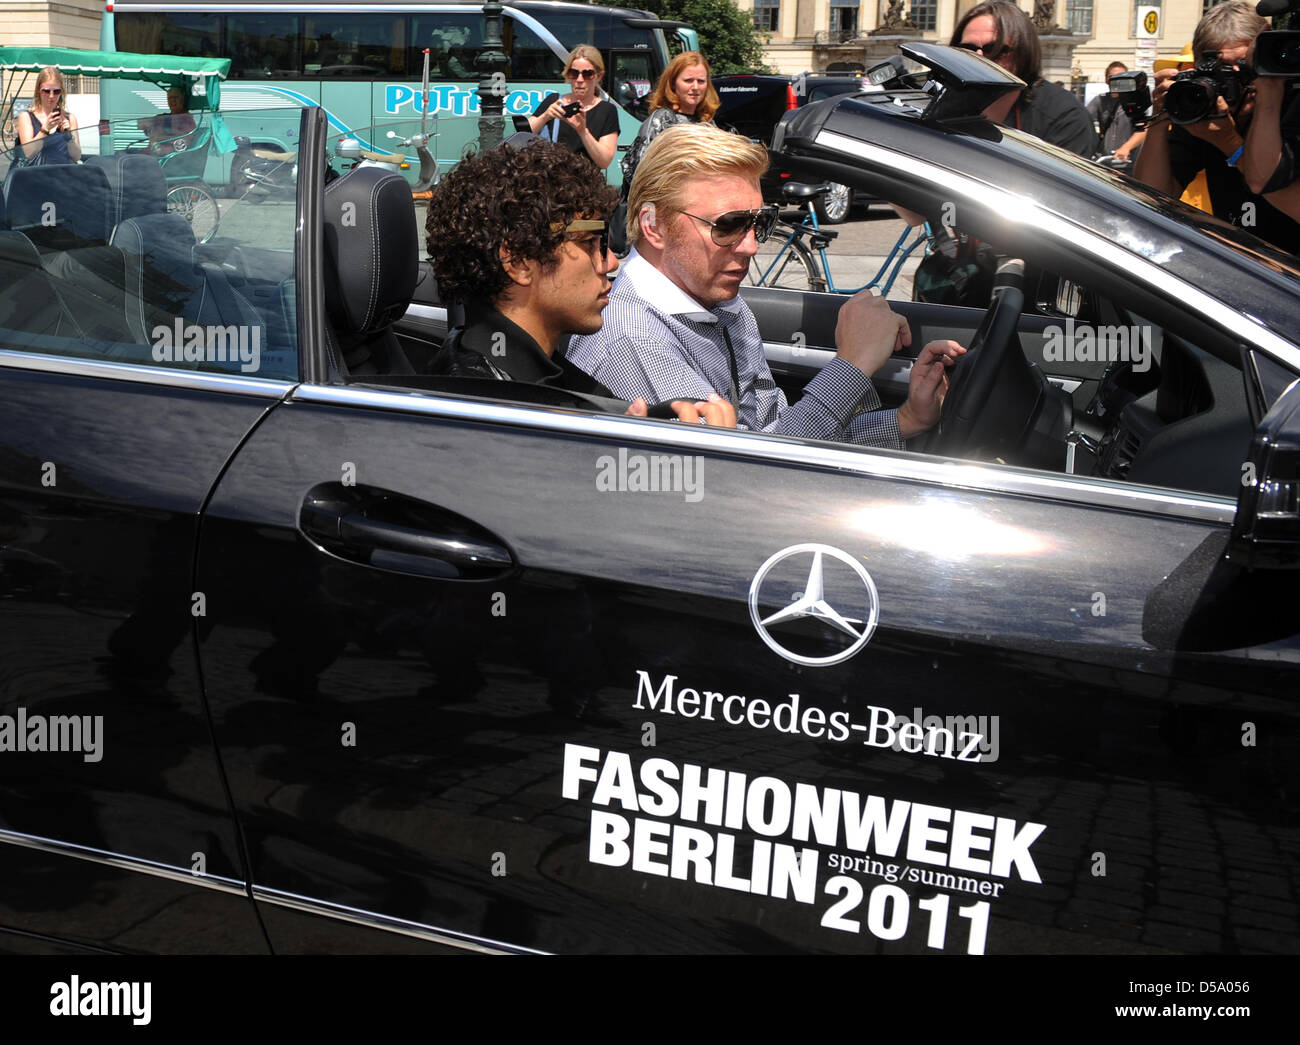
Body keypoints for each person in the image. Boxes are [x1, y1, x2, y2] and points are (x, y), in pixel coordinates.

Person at [567, 123, 966, 448]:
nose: (751, 246)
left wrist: (906, 420)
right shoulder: (634, 339)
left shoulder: (720, 301)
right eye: (727, 226)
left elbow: (774, 433)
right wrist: (853, 365)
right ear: (653, 225)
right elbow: (756, 471)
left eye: (758, 223)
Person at [424, 139, 735, 427]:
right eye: (591, 243)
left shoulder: (511, 375)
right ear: (518, 261)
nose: (611, 262)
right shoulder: (489, 422)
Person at [1133, 0, 1300, 254]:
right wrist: (1161, 116)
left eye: (1244, 68)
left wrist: (1230, 143)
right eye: (1220, 71)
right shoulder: (1203, 111)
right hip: (1238, 270)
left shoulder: (1289, 107)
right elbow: (1152, 197)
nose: (1234, 82)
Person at [951, 1, 1096, 157]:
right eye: (967, 49)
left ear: (1022, 52)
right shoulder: (943, 106)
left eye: (994, 49)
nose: (978, 57)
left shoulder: (1064, 116)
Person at [527, 44, 619, 170]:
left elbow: (604, 161)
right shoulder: (554, 101)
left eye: (587, 74)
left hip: (586, 185)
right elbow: (523, 134)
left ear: (599, 76)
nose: (580, 79)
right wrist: (545, 116)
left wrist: (583, 131)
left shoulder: (607, 110)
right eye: (574, 73)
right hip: (551, 183)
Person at [16, 66, 81, 165]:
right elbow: (28, 153)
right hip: (36, 176)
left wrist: (68, 136)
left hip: (62, 175)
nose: (51, 96)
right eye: (46, 91)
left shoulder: (70, 118)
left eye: (56, 91)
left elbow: (76, 156)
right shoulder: (26, 117)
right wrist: (45, 129)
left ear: (61, 92)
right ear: (38, 90)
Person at [1088, 61, 1146, 163]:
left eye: (1121, 77)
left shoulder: (1136, 101)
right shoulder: (1100, 100)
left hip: (1129, 161)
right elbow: (1084, 119)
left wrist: (1126, 148)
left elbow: (1143, 130)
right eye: (1112, 77)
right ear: (1106, 80)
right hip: (1104, 160)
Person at [137, 86, 196, 154]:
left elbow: (182, 142)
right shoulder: (162, 118)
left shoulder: (187, 121)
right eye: (170, 98)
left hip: (167, 157)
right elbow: (142, 126)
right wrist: (147, 125)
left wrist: (159, 138)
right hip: (149, 152)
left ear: (182, 100)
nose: (172, 100)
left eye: (175, 98)